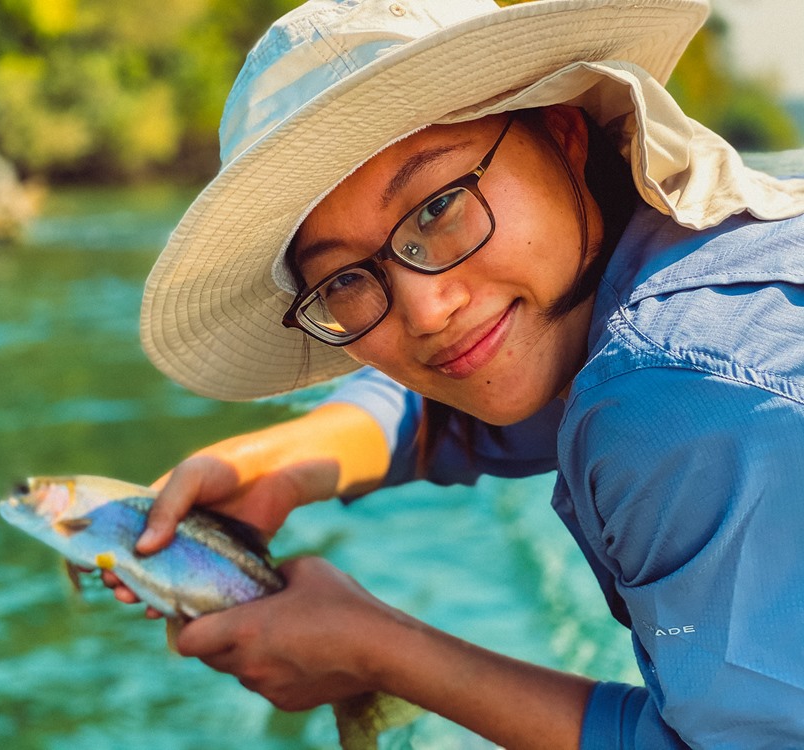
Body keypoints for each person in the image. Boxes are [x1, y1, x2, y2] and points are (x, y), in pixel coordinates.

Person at [111, 0, 804, 746]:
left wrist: (376, 648)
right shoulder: (658, 269)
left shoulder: (676, 397)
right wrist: (282, 463)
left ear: (563, 135)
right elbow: (467, 399)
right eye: (343, 280)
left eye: (439, 207)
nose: (427, 309)